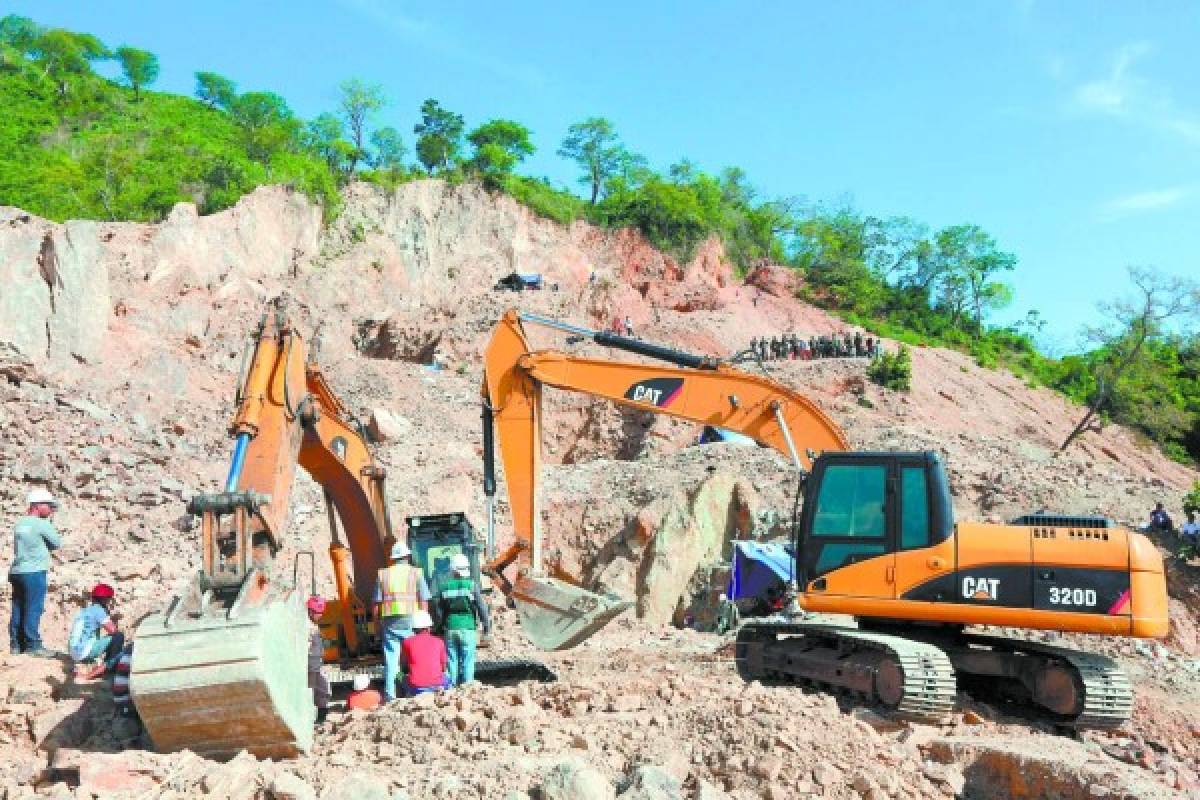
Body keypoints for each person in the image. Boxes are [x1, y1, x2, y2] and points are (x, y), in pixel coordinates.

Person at [374, 541, 431, 703]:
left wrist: (377, 625)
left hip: (390, 622)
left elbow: (376, 604)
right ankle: (416, 690)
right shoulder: (416, 573)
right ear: (407, 556)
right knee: (415, 655)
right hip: (412, 621)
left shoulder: (383, 574)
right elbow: (424, 600)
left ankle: (390, 694)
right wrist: (424, 623)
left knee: (392, 659)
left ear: (393, 558)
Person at [9, 488, 62, 657]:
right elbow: (56, 543)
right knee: (33, 608)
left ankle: (16, 645)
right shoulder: (42, 524)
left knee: (18, 608)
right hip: (34, 571)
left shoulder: (20, 523)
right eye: (49, 505)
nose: (51, 509)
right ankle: (33, 646)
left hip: (17, 571)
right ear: (37, 505)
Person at [435, 553, 492, 687]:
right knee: (467, 660)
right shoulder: (471, 585)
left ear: (452, 569)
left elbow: (439, 611)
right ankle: (467, 688)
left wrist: (439, 627)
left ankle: (450, 689)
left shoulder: (444, 587)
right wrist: (486, 628)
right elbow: (481, 607)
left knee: (452, 661)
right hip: (468, 628)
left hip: (450, 628)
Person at [68, 583, 125, 679]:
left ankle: (92, 663)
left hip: (73, 651)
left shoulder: (84, 610)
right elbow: (113, 631)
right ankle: (110, 667)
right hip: (84, 652)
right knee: (119, 637)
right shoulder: (99, 611)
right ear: (105, 600)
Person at [401, 610, 449, 696]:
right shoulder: (439, 641)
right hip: (438, 686)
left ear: (413, 629)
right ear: (429, 627)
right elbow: (444, 668)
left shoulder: (407, 642)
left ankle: (409, 696)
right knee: (447, 676)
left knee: (400, 677)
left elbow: (403, 668)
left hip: (416, 687)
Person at [306, 595, 331, 723]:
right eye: (318, 613)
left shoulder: (312, 624)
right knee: (309, 693)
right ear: (310, 611)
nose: (320, 616)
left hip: (315, 665)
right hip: (309, 666)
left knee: (323, 689)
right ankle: (311, 718)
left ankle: (321, 717)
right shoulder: (305, 626)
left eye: (321, 613)